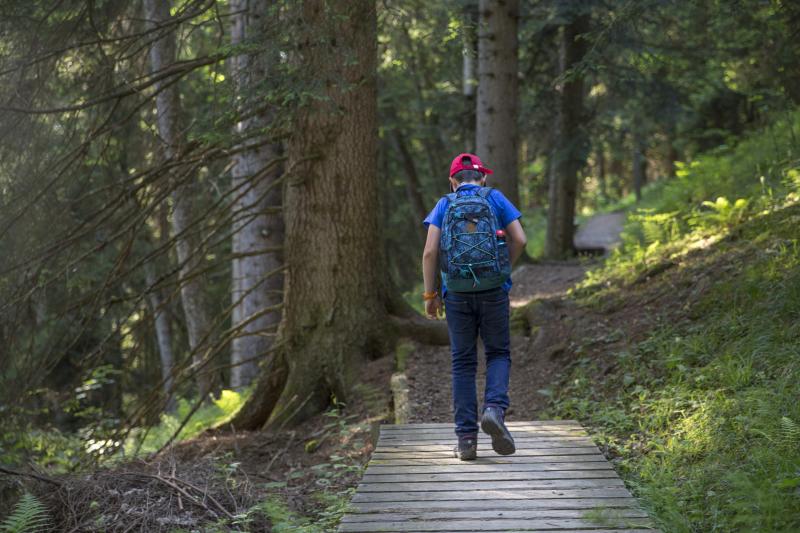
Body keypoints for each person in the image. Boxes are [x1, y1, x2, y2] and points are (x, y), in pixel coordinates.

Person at [421, 153, 527, 461]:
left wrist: (431, 296)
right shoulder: (494, 198)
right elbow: (519, 239)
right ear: (482, 178)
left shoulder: (444, 203)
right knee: (498, 353)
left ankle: (466, 440)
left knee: (463, 362)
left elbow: (429, 252)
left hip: (456, 293)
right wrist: (503, 270)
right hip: (494, 290)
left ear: (453, 181)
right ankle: (493, 409)